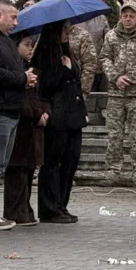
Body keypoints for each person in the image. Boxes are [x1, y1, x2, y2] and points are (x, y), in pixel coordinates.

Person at [0, 0, 36, 231]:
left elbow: (8, 69)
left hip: (10, 110)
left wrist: (24, 76)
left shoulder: (3, 39)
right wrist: (22, 79)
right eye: (13, 17)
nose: (16, 22)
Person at [99, 0, 136, 188]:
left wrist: (129, 77)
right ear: (121, 17)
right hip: (115, 94)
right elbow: (104, 57)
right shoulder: (111, 36)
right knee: (114, 135)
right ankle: (113, 171)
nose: (128, 19)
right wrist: (115, 77)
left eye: (132, 16)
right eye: (125, 15)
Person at [33, 21, 87, 223]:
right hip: (56, 113)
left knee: (70, 161)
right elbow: (46, 84)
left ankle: (61, 204)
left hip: (73, 113)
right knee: (53, 162)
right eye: (64, 29)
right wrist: (65, 70)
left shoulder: (67, 53)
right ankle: (49, 207)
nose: (68, 33)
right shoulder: (44, 54)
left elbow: (77, 82)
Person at [3, 35, 49, 226]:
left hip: (33, 128)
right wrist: (37, 113)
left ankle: (25, 208)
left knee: (28, 170)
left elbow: (40, 96)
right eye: (26, 45)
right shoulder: (14, 71)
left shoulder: (30, 70)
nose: (30, 48)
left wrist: (45, 112)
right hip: (21, 125)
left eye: (31, 45)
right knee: (18, 170)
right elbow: (21, 100)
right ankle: (15, 210)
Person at [67, 23, 97, 100]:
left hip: (74, 89)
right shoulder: (48, 35)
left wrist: (83, 91)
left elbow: (90, 63)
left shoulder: (82, 35)